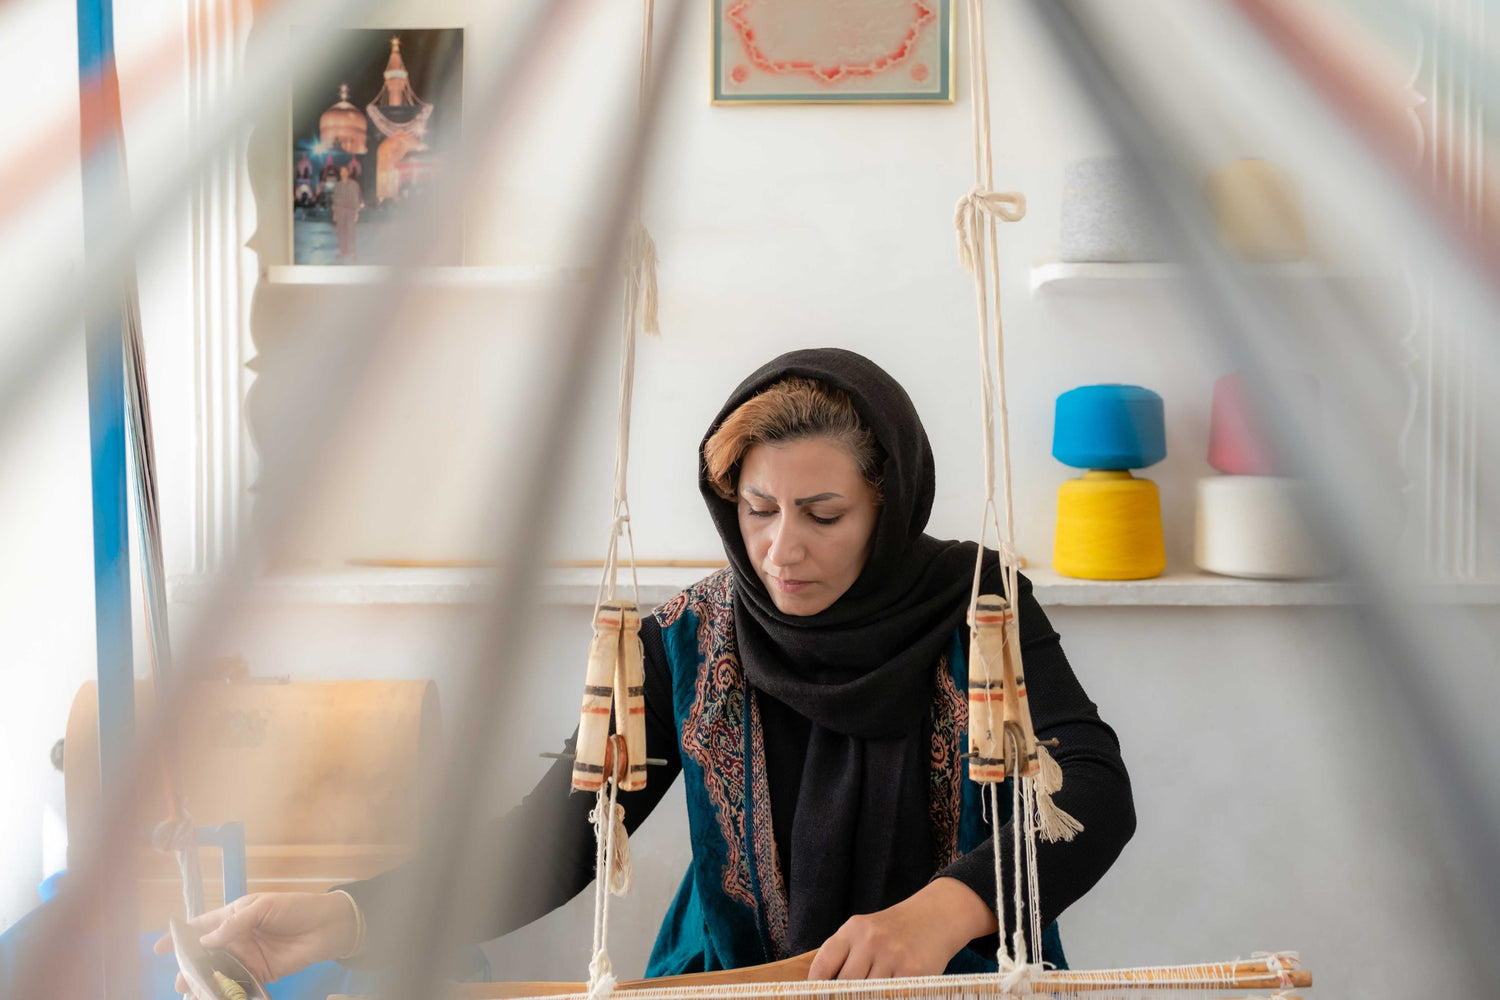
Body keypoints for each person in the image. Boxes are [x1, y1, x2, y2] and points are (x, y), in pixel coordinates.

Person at [157, 349, 1135, 985]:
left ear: (889, 506)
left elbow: (1092, 788)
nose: (781, 549)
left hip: (954, 977)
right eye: (757, 509)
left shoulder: (979, 609)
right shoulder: (688, 639)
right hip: (725, 983)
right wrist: (339, 913)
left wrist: (937, 913)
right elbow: (554, 841)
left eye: (823, 514)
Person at [332, 166, 361, 262]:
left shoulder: (353, 184)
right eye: (341, 172)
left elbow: (356, 198)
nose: (342, 173)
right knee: (341, 232)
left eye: (344, 172)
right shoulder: (338, 185)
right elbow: (335, 199)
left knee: (350, 232)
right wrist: (335, 212)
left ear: (348, 173)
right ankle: (342, 251)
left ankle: (352, 252)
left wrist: (356, 212)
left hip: (350, 211)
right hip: (340, 211)